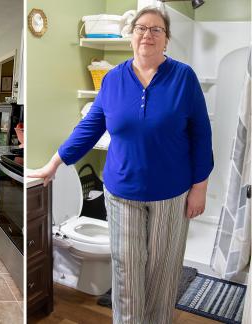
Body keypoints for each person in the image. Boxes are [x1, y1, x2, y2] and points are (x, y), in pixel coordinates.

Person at [29, 7, 213, 324]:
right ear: (130, 36)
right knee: (126, 270)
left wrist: (200, 188)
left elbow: (201, 135)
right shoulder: (113, 79)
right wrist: (53, 164)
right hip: (122, 192)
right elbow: (89, 128)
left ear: (167, 39)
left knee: (163, 272)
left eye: (157, 29)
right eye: (141, 28)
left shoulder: (184, 78)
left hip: (171, 194)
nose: (148, 34)